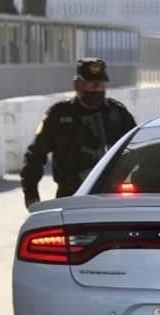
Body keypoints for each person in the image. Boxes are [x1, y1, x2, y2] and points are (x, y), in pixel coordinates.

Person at [20, 58, 136, 209]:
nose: (96, 89)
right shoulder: (59, 115)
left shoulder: (117, 114)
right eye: (91, 84)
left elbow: (138, 149)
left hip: (110, 196)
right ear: (77, 84)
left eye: (100, 84)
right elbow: (35, 155)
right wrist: (31, 194)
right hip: (70, 196)